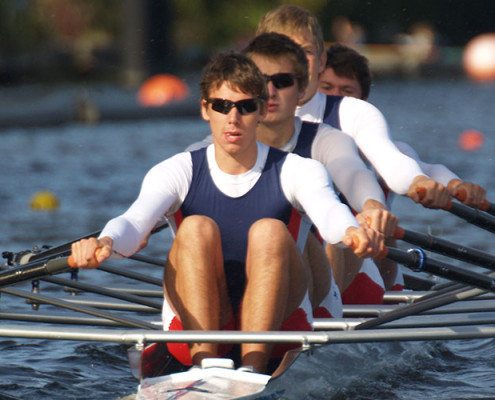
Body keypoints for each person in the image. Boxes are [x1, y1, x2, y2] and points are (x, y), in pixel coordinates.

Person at [70, 51, 384, 374]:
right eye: (222, 106)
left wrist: (352, 232)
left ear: (261, 110)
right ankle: (207, 367)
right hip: (198, 325)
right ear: (205, 109)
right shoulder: (177, 170)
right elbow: (134, 222)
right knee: (194, 229)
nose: (233, 119)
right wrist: (105, 241)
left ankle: (252, 369)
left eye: (245, 107)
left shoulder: (299, 170)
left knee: (270, 231)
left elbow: (330, 213)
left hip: (284, 328)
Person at [255, 4, 453, 293]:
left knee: (330, 223)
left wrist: (380, 202)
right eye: (278, 54)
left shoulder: (349, 119)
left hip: (348, 267)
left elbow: (387, 161)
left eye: (303, 54)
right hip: (264, 262)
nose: (290, 64)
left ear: (321, 60)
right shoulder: (234, 123)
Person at [243, 32, 395, 307]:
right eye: (260, 82)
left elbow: (355, 176)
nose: (270, 91)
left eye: (282, 81)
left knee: (284, 230)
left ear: (302, 90)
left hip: (330, 283)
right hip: (246, 284)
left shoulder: (331, 141)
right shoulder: (207, 151)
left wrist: (372, 205)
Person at [319, 43, 488, 289]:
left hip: (373, 287)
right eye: (327, 89)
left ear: (363, 101)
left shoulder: (386, 152)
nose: (337, 102)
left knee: (372, 220)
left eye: (346, 92)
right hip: (324, 280)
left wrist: (458, 186)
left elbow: (429, 172)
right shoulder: (302, 144)